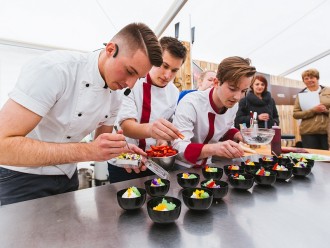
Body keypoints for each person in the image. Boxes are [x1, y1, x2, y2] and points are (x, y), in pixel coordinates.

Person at [0, 22, 163, 205]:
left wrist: (121, 153)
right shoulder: (55, 69)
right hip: (19, 178)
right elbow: (2, 146)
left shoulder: (116, 94)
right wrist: (88, 150)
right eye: (129, 71)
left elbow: (101, 143)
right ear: (110, 49)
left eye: (138, 77)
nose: (131, 84)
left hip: (68, 179)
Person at [108, 36, 187, 183]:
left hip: (155, 163)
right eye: (164, 66)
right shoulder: (132, 80)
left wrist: (163, 139)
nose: (168, 75)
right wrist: (153, 130)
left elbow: (167, 125)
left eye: (174, 70)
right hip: (125, 160)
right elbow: (126, 126)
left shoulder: (174, 92)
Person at [172, 56, 256, 167]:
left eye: (243, 91)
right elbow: (178, 146)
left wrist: (237, 135)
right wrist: (214, 148)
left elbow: (225, 127)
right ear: (216, 82)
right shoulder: (190, 103)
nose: (237, 97)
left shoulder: (233, 105)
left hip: (208, 166)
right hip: (182, 167)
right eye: (232, 88)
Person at [293, 68, 330, 150]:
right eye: (306, 78)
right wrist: (313, 110)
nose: (309, 80)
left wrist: (326, 111)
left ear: (317, 78)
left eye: (312, 77)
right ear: (304, 81)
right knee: (312, 159)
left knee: (327, 159)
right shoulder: (301, 95)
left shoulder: (328, 91)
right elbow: (295, 114)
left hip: (327, 132)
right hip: (308, 132)